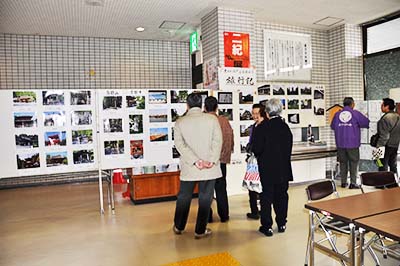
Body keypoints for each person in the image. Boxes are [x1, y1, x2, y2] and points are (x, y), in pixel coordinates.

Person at [173, 93, 223, 239]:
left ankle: (179, 226)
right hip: (209, 167)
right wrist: (211, 160)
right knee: (206, 198)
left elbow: (179, 145)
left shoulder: (180, 122)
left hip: (190, 167)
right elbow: (217, 141)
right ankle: (200, 230)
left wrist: (195, 161)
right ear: (201, 105)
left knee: (184, 197)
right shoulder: (212, 119)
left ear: (187, 105)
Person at [251, 98, 292, 237]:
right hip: (283, 169)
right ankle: (281, 223)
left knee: (266, 197)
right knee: (282, 196)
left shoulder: (262, 128)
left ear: (267, 112)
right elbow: (288, 148)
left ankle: (267, 226)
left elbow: (256, 149)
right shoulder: (285, 127)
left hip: (267, 169)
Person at [204, 96, 234, 223]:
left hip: (207, 161)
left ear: (204, 108)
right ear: (217, 108)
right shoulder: (224, 121)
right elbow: (230, 139)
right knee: (221, 188)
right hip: (221, 161)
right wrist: (226, 154)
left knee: (207, 190)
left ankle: (207, 217)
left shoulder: (203, 121)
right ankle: (224, 215)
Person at [331, 97, 369, 189]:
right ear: (352, 104)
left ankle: (343, 182)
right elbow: (366, 123)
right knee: (354, 162)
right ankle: (353, 183)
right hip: (352, 143)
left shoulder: (337, 114)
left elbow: (332, 126)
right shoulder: (355, 113)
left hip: (340, 143)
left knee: (343, 162)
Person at [245, 103, 267, 220]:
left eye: (257, 113)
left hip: (263, 162)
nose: (254, 116)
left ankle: (263, 211)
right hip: (253, 162)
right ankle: (254, 211)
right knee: (251, 186)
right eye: (253, 113)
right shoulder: (254, 126)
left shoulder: (265, 126)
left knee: (263, 188)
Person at [376, 98, 400, 175]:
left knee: (382, 165)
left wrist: (378, 147)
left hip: (385, 145)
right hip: (395, 145)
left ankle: (383, 183)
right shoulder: (398, 116)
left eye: (382, 105)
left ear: (387, 106)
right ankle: (394, 183)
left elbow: (384, 136)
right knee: (393, 165)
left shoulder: (385, 118)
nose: (381, 107)